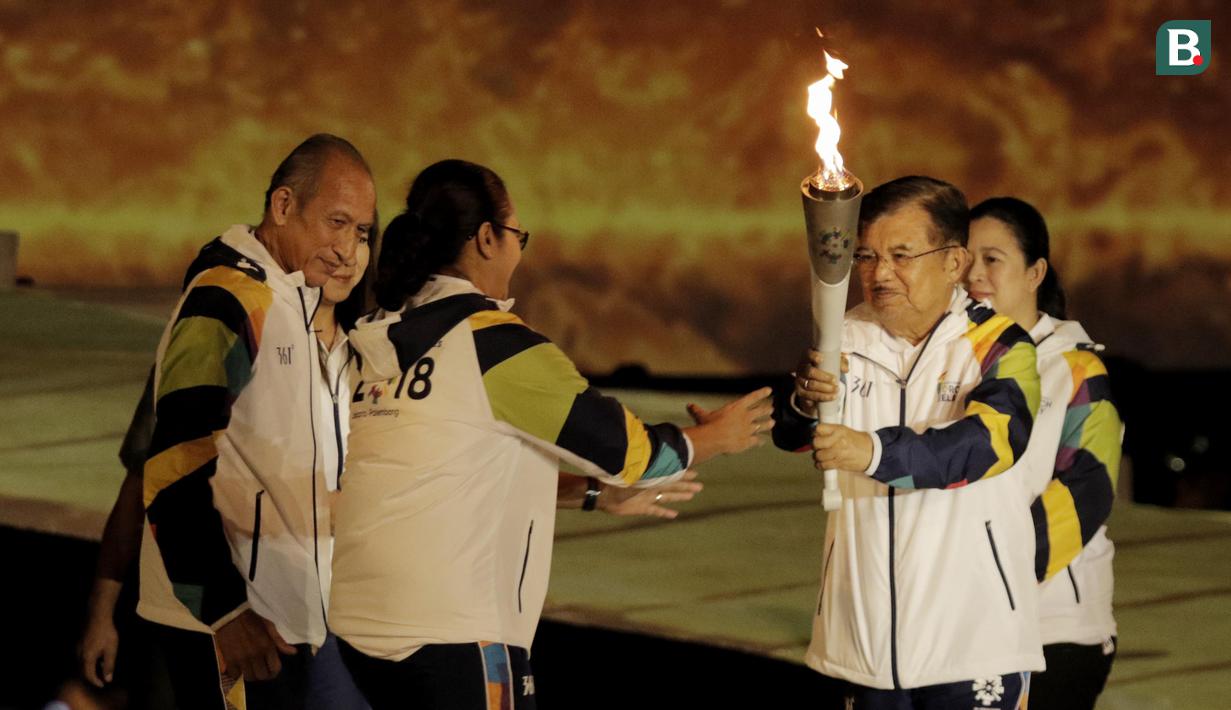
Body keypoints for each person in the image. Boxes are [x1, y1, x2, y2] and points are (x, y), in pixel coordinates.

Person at [328, 158, 772, 709]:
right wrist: (714, 438)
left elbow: (448, 470)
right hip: (455, 639)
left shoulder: (373, 340)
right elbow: (629, 453)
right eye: (518, 235)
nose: (518, 251)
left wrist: (591, 493)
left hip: (354, 633)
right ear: (487, 239)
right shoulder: (492, 344)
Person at [776, 176, 1042, 708]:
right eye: (868, 256)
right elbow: (792, 433)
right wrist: (805, 403)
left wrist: (871, 451)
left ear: (953, 262)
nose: (880, 274)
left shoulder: (1002, 346)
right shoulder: (841, 339)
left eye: (901, 255)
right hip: (862, 640)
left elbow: (989, 443)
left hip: (974, 643)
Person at [137, 133, 377, 709]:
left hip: (280, 623)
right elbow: (176, 457)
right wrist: (224, 609)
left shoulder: (293, 301)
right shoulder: (230, 298)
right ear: (284, 206)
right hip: (232, 628)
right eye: (336, 222)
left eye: (362, 232)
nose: (348, 248)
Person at [967, 197, 1122, 710]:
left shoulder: (1076, 371)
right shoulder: (953, 363)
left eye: (992, 259)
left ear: (1035, 273)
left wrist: (982, 575)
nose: (975, 274)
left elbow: (1088, 491)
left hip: (1054, 628)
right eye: (965, 260)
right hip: (968, 623)